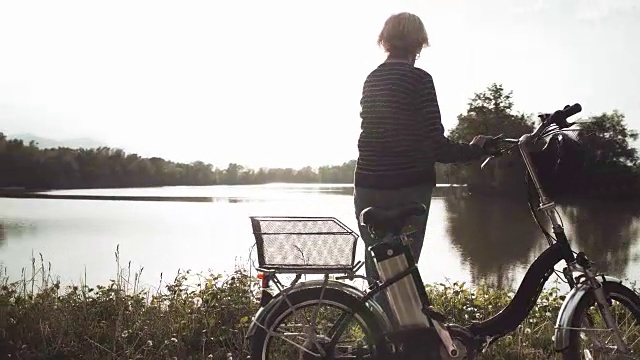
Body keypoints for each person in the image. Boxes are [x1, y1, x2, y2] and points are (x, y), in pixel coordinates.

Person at [353, 12, 496, 321]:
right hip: (408, 187)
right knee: (402, 273)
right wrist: (475, 150)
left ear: (386, 41)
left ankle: (379, 338)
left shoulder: (373, 78)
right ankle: (401, 344)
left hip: (367, 186)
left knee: (378, 272)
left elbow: (374, 134)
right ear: (418, 44)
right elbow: (435, 145)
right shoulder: (420, 80)